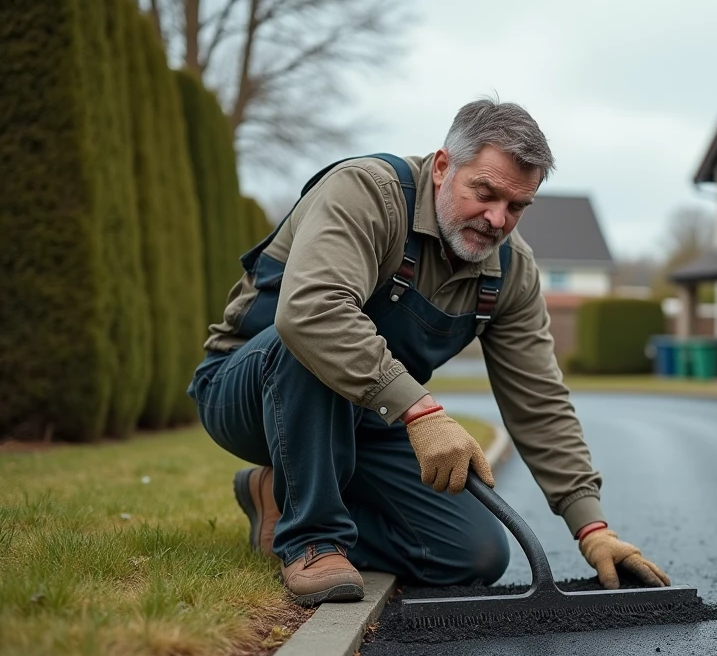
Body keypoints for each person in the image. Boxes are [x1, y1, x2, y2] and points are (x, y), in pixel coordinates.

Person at [187, 99, 671, 606]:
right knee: (318, 336)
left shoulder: (511, 271)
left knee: (473, 555)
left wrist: (590, 525)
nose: (497, 219)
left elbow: (539, 398)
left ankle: (276, 499)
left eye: (517, 206)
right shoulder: (367, 193)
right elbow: (311, 311)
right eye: (485, 193)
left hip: (366, 415)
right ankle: (313, 539)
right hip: (248, 390)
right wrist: (419, 410)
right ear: (442, 167)